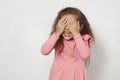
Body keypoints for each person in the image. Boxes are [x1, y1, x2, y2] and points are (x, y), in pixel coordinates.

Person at [41, 7, 94, 80]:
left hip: (76, 75)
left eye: (71, 25)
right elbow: (44, 51)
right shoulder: (56, 38)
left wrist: (76, 33)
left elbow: (85, 55)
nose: (67, 28)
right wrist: (57, 33)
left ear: (80, 27)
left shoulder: (82, 39)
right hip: (58, 74)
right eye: (64, 24)